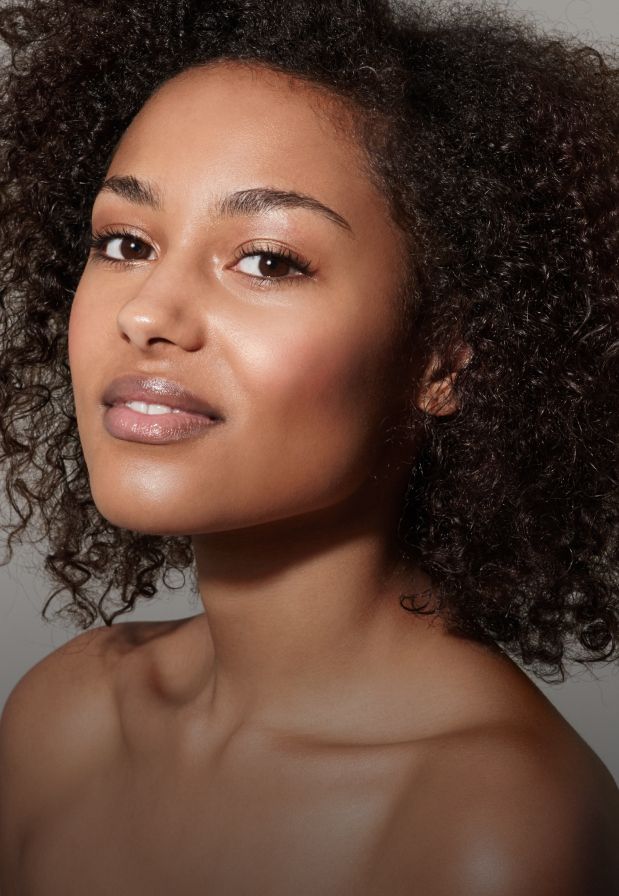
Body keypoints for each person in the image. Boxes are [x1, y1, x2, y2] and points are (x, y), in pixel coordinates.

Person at [0, 0, 618, 892]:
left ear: (442, 362)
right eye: (125, 242)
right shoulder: (61, 717)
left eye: (266, 260)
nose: (144, 314)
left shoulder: (491, 828)